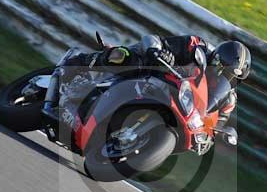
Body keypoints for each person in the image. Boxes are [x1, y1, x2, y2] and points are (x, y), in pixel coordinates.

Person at [42, 34, 250, 129]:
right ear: (216, 60)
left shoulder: (227, 100)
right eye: (224, 71)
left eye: (232, 77)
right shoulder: (197, 47)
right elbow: (157, 41)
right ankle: (78, 62)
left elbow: (214, 125)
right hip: (155, 71)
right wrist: (161, 52)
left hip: (175, 104)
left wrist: (214, 133)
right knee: (128, 58)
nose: (225, 78)